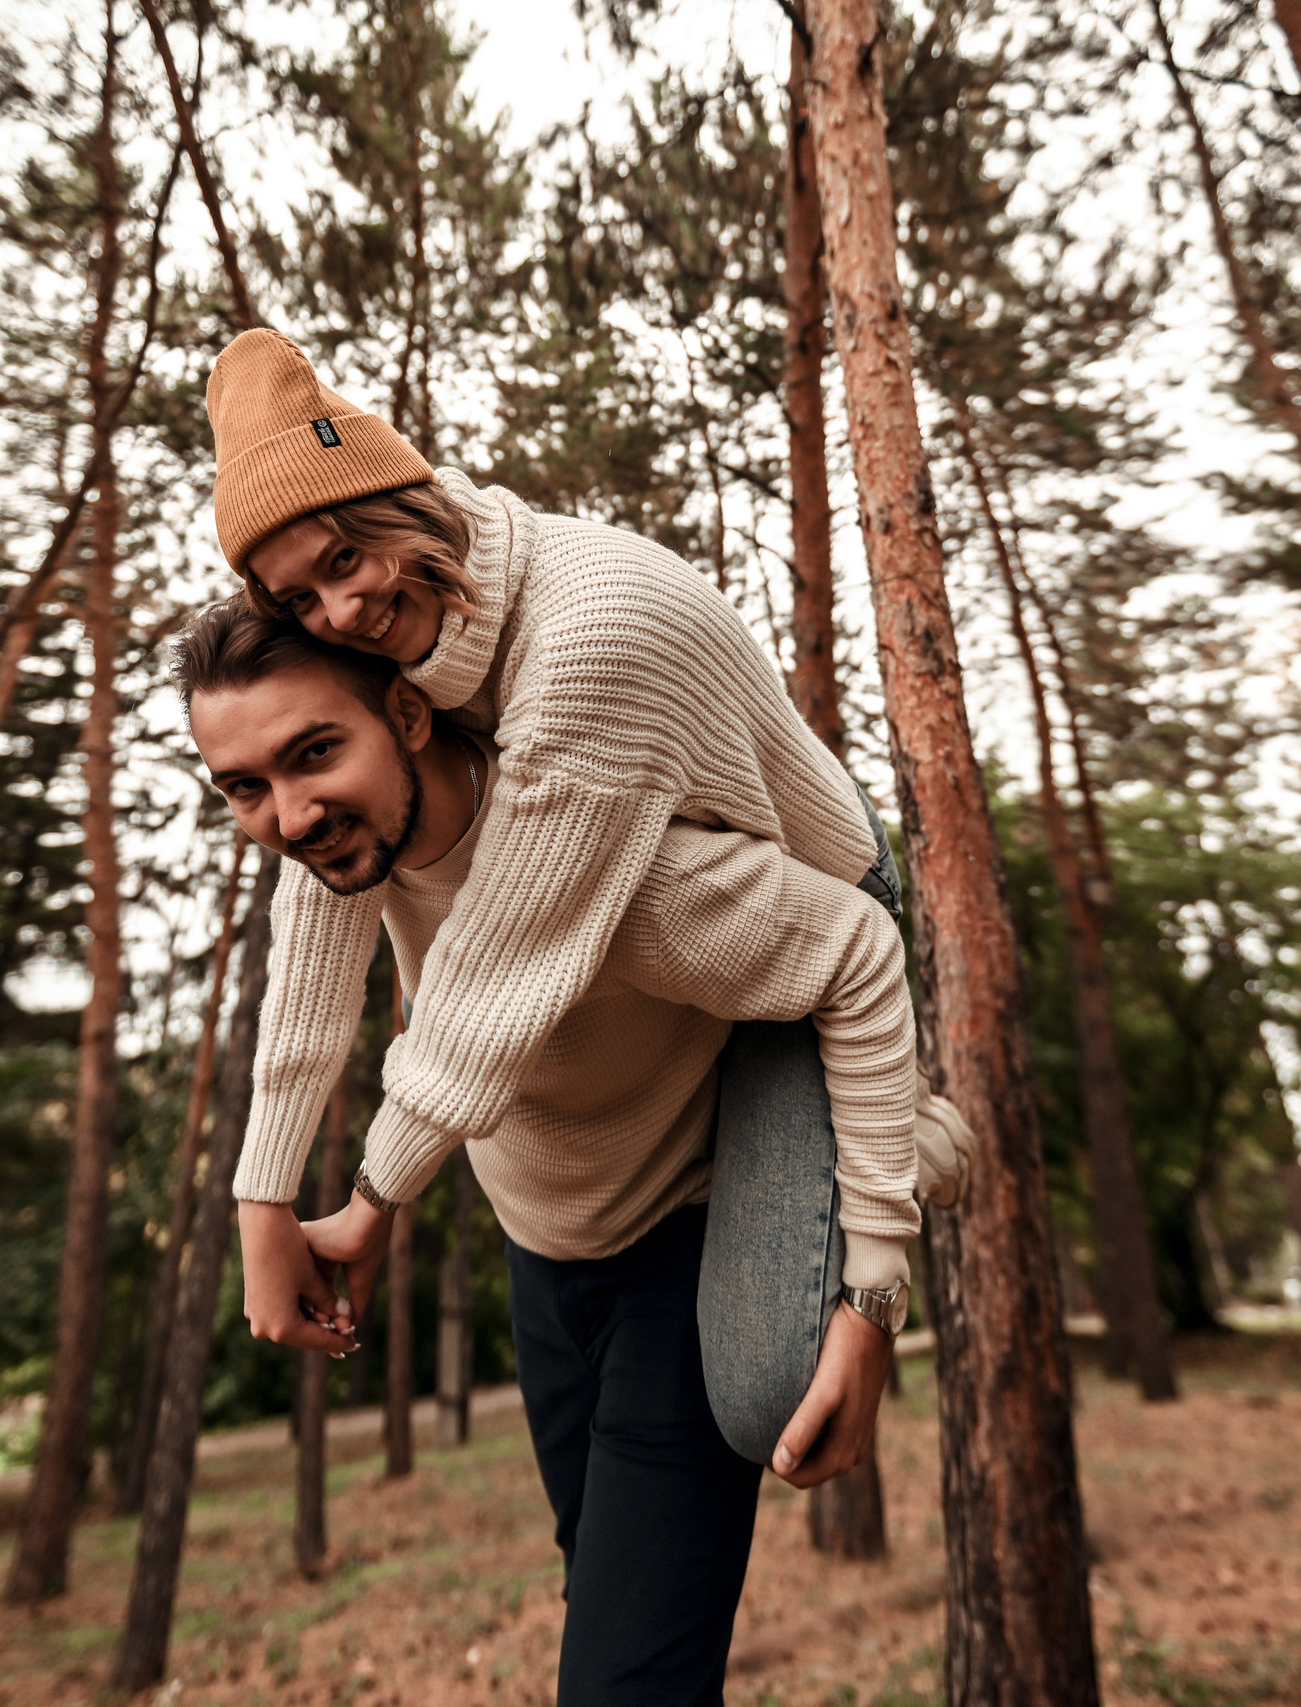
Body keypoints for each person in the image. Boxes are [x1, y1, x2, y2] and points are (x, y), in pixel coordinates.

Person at [203, 330, 967, 1442]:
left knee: (761, 1397)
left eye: (342, 560)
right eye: (297, 599)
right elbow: (321, 896)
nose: (339, 614)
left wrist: (371, 1206)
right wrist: (260, 1188)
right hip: (684, 909)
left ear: (402, 501)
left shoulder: (588, 643)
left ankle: (899, 1121)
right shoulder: (407, 636)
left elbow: (499, 959)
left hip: (813, 902)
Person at [180, 608, 932, 1701]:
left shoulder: (624, 872)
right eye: (243, 787)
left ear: (407, 710)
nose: (288, 816)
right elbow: (308, 1017)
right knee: (612, 1618)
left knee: (624, 1683)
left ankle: (920, 1132)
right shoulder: (347, 847)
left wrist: (872, 1295)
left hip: (682, 1250)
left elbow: (860, 953)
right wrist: (283, 1207)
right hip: (538, 1247)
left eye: (312, 754)